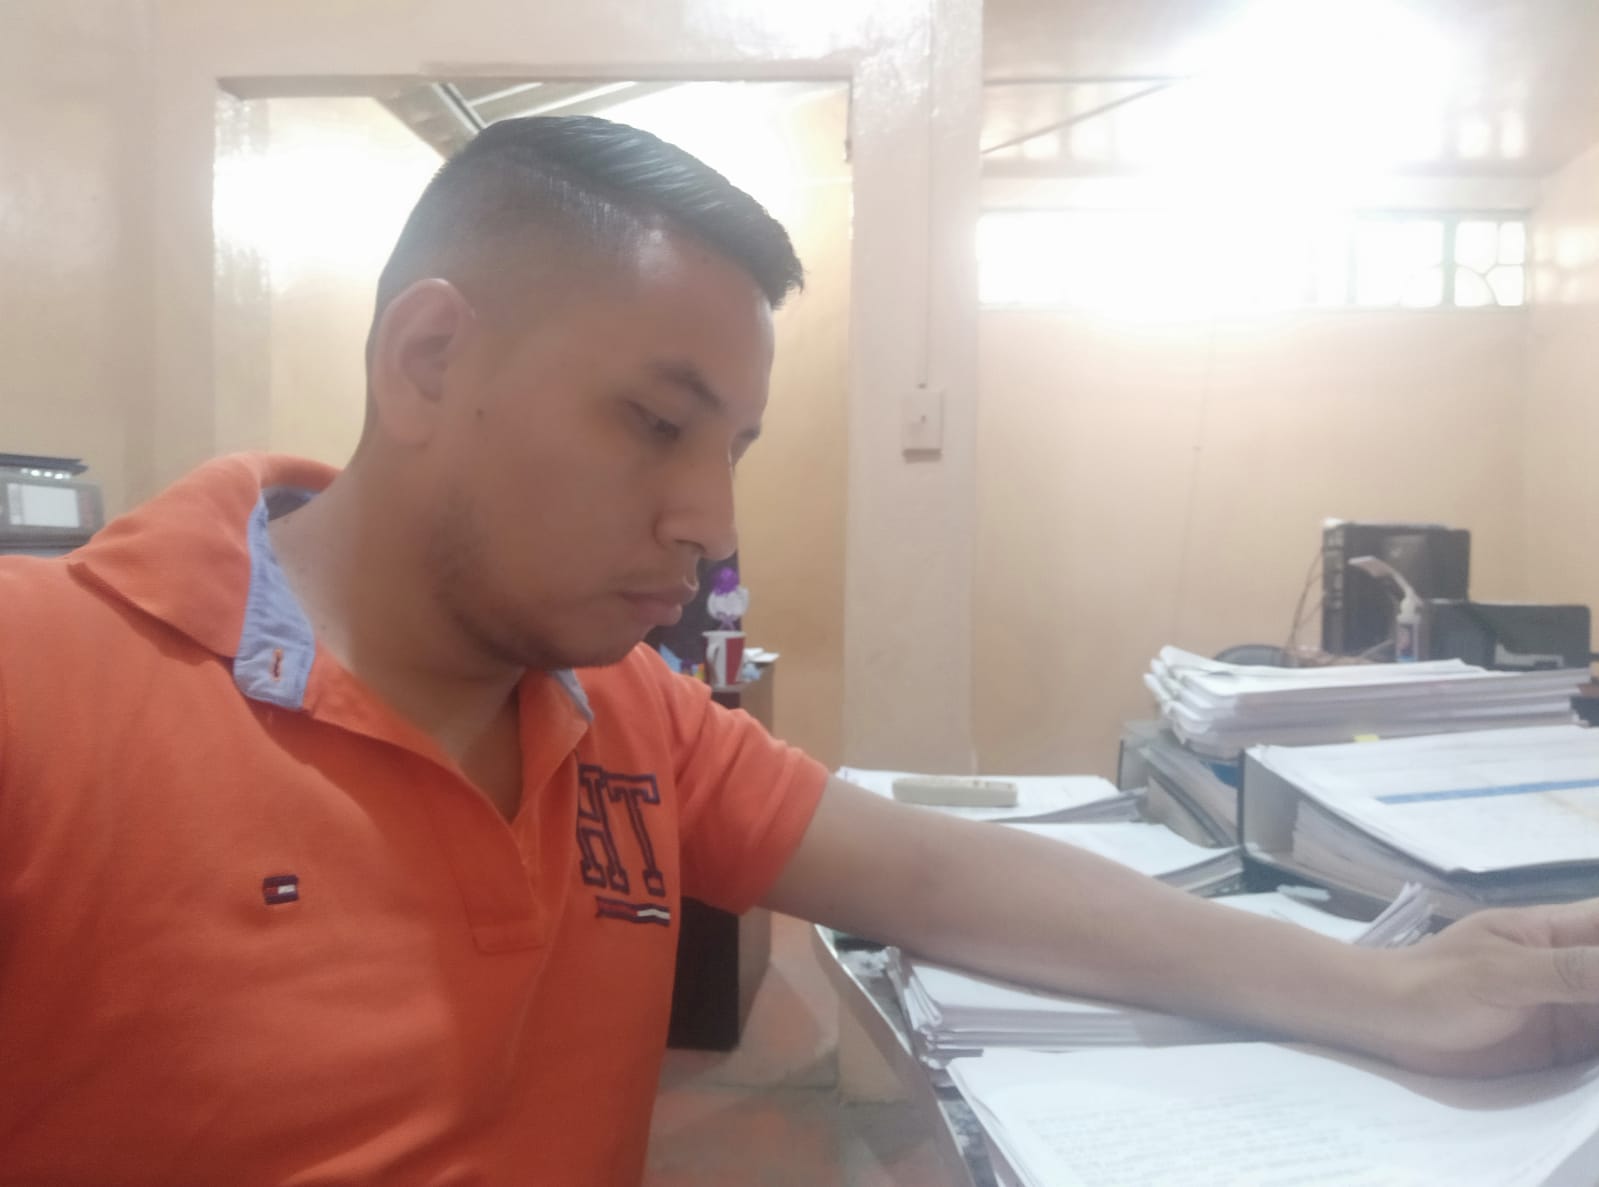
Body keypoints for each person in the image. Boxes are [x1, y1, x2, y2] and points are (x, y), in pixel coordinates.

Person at [0, 114, 1595, 1187]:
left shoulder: (623, 711)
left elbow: (943, 878)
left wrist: (1389, 990)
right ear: (427, 359)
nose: (709, 522)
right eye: (655, 424)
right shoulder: (47, 687)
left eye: (737, 447)